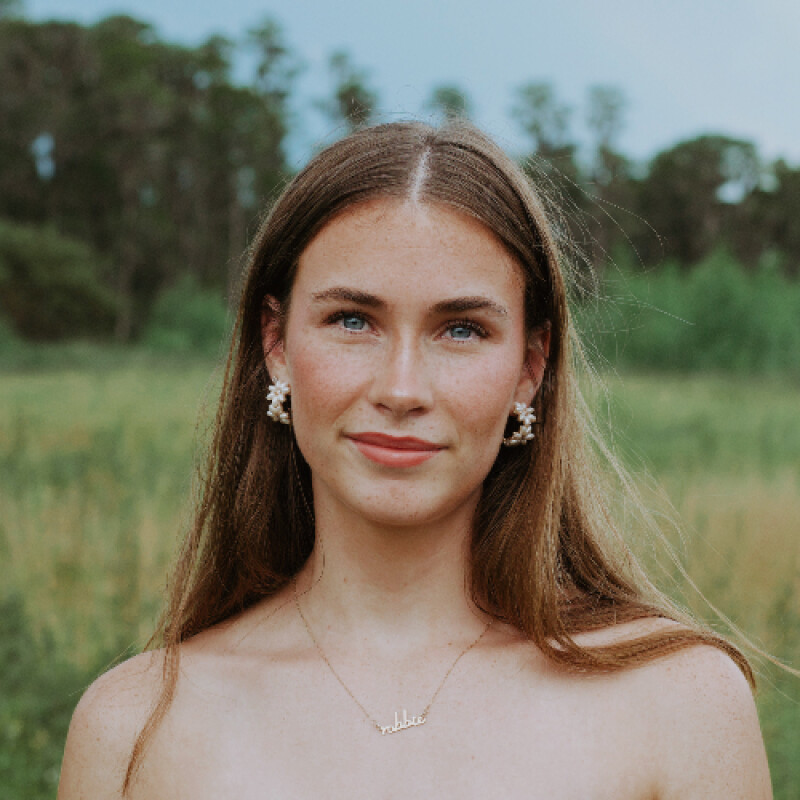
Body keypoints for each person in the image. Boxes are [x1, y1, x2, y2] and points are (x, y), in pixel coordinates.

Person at [57, 121, 772, 799]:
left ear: (530, 367)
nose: (401, 390)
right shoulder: (133, 726)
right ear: (276, 345)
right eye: (352, 321)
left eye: (461, 329)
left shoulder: (681, 703)